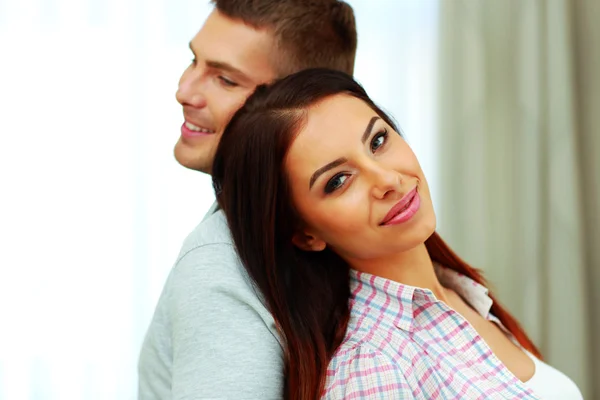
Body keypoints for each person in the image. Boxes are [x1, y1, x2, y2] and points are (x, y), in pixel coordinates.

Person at [212, 68, 584, 399]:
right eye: (338, 181)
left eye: (377, 141)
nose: (388, 180)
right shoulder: (372, 369)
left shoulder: (460, 294)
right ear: (306, 235)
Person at [138, 1, 357, 399]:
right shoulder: (228, 257)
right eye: (194, 60)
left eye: (224, 79)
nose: (183, 91)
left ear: (297, 101)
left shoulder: (220, 260)